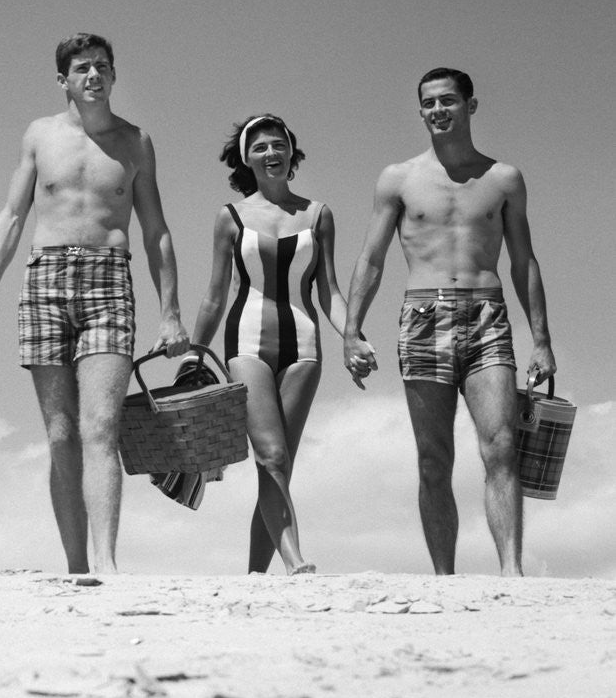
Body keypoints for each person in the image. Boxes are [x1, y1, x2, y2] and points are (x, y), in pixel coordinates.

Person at [0, 33, 188, 575]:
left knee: (100, 427)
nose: (94, 75)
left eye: (103, 67)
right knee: (61, 432)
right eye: (83, 68)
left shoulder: (136, 141)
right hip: (44, 278)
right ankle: (75, 568)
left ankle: (106, 561)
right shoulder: (40, 135)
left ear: (113, 76)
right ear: (63, 79)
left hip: (110, 280)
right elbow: (13, 214)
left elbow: (155, 229)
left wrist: (172, 311)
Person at [343, 67, 556, 576]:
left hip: (487, 315)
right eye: (428, 103)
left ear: (470, 106)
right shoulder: (398, 178)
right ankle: (446, 579)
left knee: (501, 445)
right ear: (420, 111)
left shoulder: (503, 177)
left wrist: (543, 341)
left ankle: (511, 572)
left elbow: (523, 260)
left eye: (448, 101)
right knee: (433, 459)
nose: (438, 111)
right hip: (423, 315)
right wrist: (352, 329)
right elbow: (372, 258)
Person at [187, 114, 348, 574]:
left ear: (291, 152)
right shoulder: (231, 217)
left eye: (278, 145)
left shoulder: (318, 214)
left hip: (305, 346)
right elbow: (215, 295)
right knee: (271, 455)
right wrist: (194, 356)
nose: (270, 153)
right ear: (246, 158)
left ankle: (256, 577)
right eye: (259, 148)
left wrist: (351, 336)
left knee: (276, 466)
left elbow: (330, 293)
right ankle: (296, 560)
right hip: (247, 343)